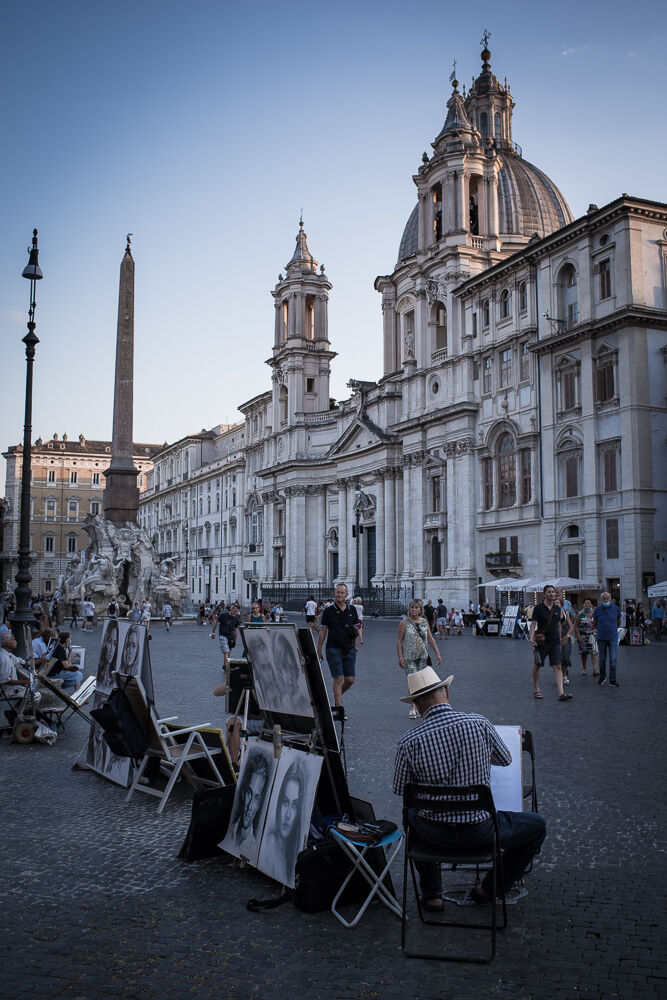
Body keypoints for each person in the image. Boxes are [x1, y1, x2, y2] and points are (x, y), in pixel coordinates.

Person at [393, 668, 546, 910]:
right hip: (480, 831)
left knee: (411, 816)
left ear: (418, 705)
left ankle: (432, 895)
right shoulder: (478, 723)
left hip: (434, 833)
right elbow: (506, 759)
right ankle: (489, 889)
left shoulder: (408, 741)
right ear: (447, 693)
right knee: (537, 827)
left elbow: (403, 791)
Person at [260, 757, 307, 887]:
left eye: (295, 805)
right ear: (279, 802)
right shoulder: (269, 844)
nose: (287, 815)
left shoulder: (294, 848)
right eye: (285, 802)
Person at [316, 583, 359, 713]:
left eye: (342, 592)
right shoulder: (328, 611)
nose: (339, 594)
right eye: (338, 592)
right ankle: (339, 708)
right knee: (338, 678)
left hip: (349, 648)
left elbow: (356, 628)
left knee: (350, 680)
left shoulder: (352, 610)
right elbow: (323, 631)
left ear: (346, 595)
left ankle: (337, 697)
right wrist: (319, 649)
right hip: (333, 648)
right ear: (335, 594)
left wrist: (356, 645)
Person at [397, 599, 441, 719]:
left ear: (420, 609)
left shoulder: (424, 622)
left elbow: (430, 638)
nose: (414, 610)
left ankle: (420, 706)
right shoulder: (404, 623)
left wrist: (437, 653)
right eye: (412, 607)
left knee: (422, 682)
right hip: (409, 657)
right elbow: (399, 641)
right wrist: (400, 657)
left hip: (422, 656)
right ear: (409, 609)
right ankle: (413, 706)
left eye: (416, 608)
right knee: (413, 680)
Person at [529, 585, 571, 701]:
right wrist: (531, 638)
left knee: (557, 666)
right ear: (544, 594)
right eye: (549, 592)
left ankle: (561, 693)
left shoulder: (557, 609)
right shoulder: (538, 608)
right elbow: (533, 625)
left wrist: (561, 637)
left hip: (555, 642)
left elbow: (558, 625)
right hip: (541, 642)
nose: (552, 594)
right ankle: (536, 689)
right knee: (537, 665)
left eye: (553, 592)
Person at [229, 749, 272, 856]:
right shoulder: (229, 830)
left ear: (259, 803)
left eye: (256, 798)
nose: (249, 807)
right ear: (243, 793)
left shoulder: (253, 848)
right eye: (249, 793)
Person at [593, 592, 622, 687]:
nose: (605, 601)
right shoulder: (597, 609)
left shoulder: (616, 608)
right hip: (601, 637)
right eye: (604, 599)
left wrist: (612, 629)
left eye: (607, 599)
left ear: (610, 599)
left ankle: (612, 680)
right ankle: (602, 677)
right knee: (602, 659)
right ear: (601, 600)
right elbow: (595, 622)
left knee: (613, 659)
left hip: (613, 637)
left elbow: (619, 621)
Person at [210, 602, 240, 671]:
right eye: (234, 611)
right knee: (226, 651)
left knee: (229, 651)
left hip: (230, 637)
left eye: (236, 612)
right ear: (231, 609)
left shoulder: (236, 619)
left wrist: (235, 640)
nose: (235, 613)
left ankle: (225, 665)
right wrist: (213, 632)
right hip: (223, 635)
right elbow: (216, 622)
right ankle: (227, 667)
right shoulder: (224, 615)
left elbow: (236, 631)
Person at [574, 599, 599, 676]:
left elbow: (598, 623)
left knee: (594, 652)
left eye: (588, 603)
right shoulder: (580, 613)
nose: (586, 604)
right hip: (583, 636)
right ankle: (584, 669)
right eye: (585, 603)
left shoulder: (595, 613)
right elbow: (575, 625)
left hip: (593, 636)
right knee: (583, 653)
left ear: (592, 605)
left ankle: (595, 669)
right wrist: (578, 636)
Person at [98, 619, 120, 688]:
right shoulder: (99, 674)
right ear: (105, 642)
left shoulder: (116, 677)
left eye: (115, 643)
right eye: (109, 641)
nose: (111, 649)